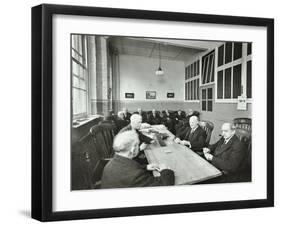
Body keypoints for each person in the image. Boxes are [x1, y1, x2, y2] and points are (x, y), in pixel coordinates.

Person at [101, 130, 175, 188]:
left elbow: (126, 168)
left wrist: (145, 167)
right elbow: (163, 186)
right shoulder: (135, 176)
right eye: (138, 145)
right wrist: (165, 170)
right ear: (133, 150)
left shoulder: (110, 163)